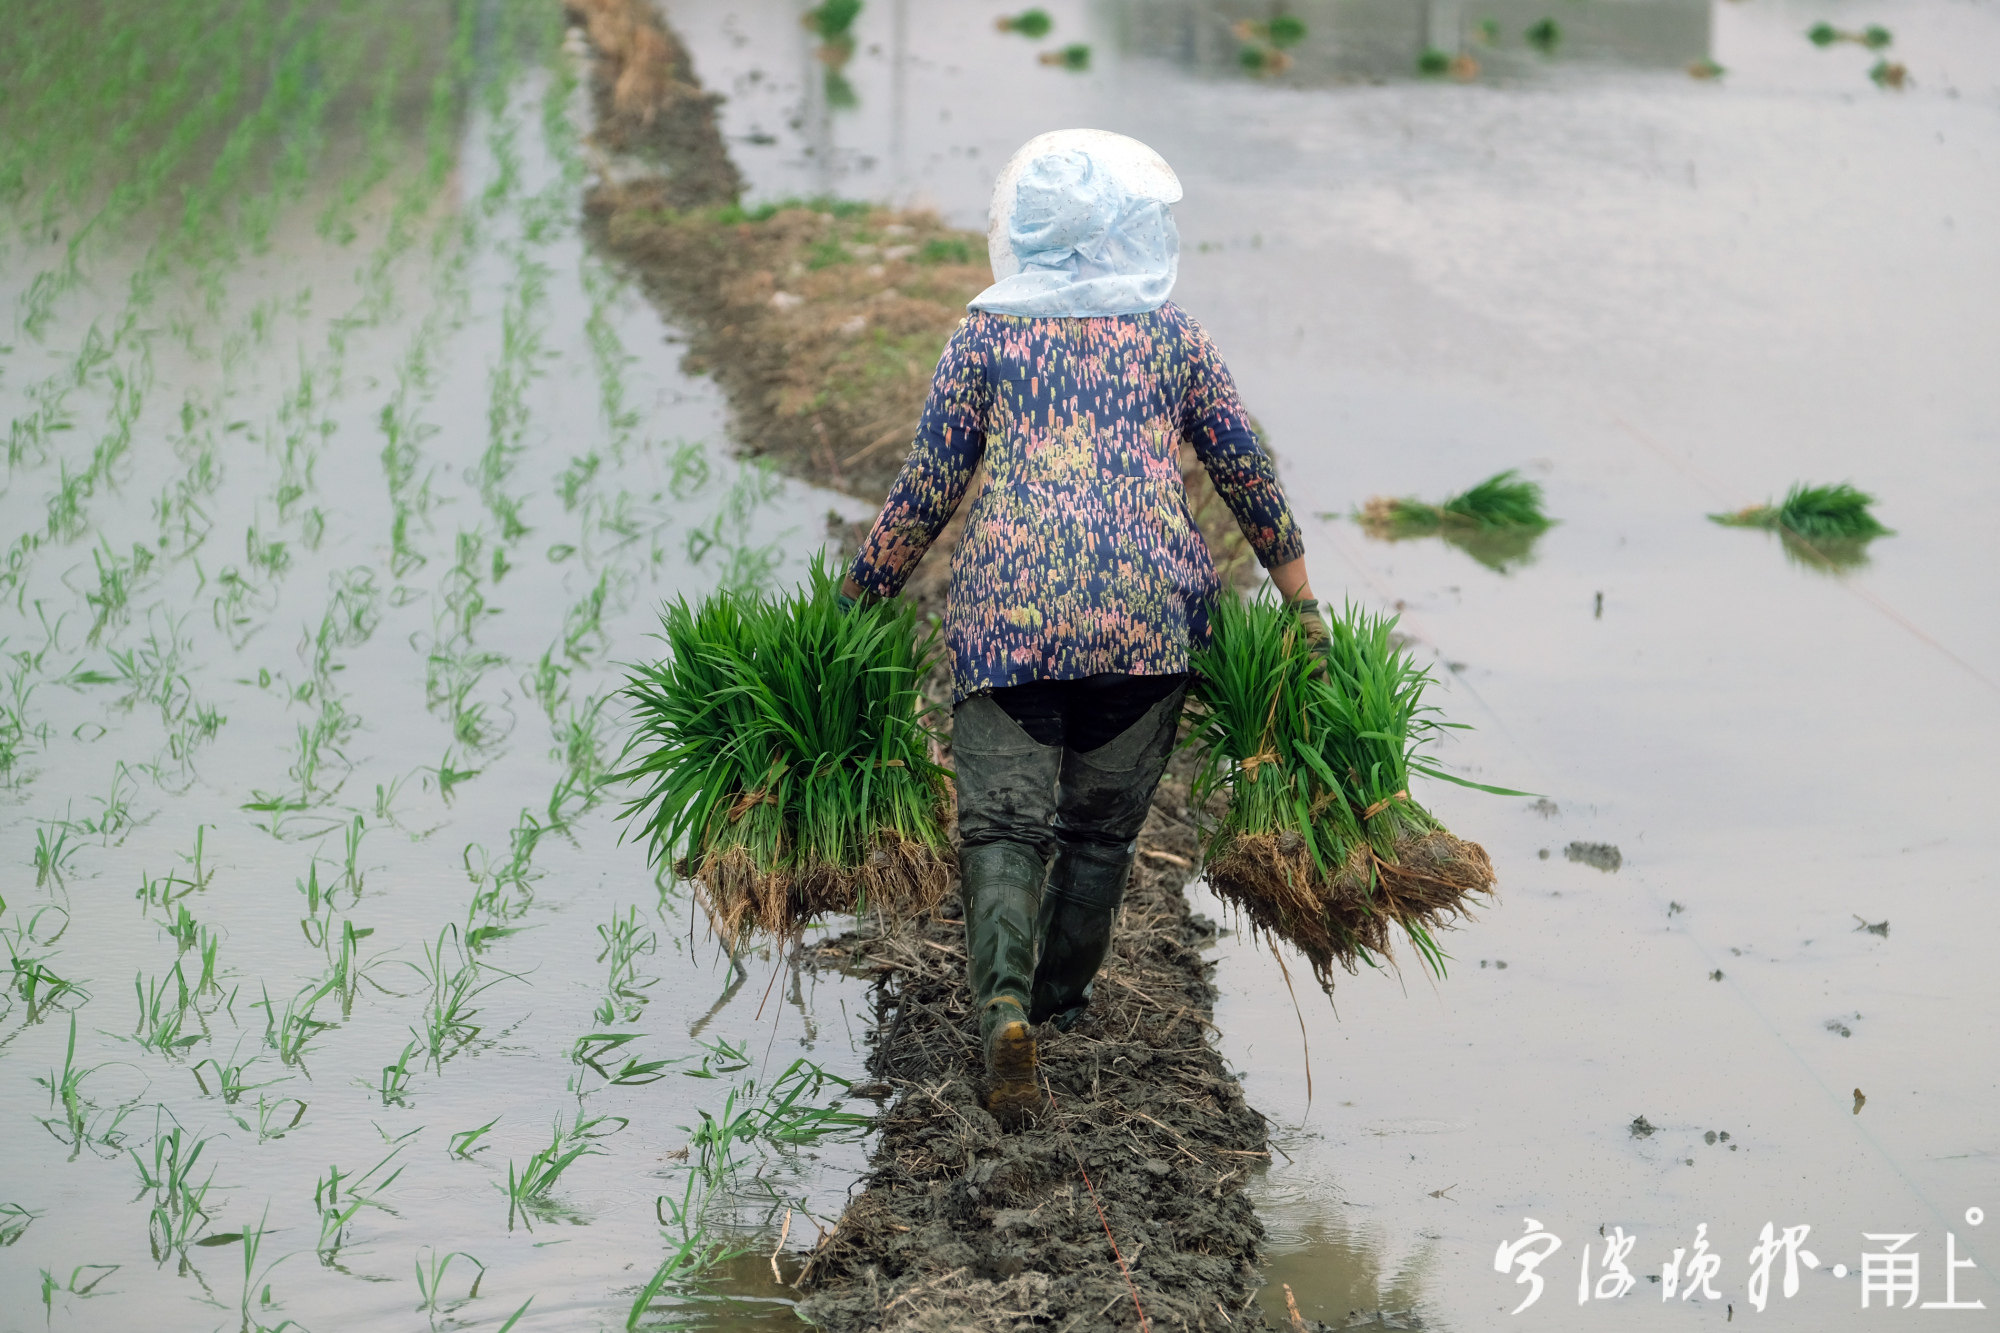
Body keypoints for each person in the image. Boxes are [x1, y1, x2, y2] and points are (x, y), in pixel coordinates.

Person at [841, 129, 1321, 1123]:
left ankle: (1003, 1010)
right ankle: (1054, 1003)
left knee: (1002, 828)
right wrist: (1300, 601)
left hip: (1011, 618)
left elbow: (926, 489)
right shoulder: (1170, 336)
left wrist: (853, 603)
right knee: (1097, 836)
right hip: (1148, 621)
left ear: (1025, 234)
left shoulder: (984, 338)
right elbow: (1245, 468)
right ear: (1132, 232)